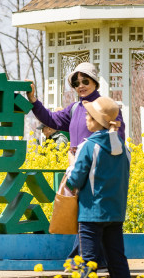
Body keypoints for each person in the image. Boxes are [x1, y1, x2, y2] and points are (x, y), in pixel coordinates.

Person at [29, 62, 125, 266]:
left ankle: (78, 260)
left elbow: (117, 141)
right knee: (84, 215)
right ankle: (97, 260)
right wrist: (34, 101)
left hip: (97, 171)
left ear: (95, 82)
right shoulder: (75, 108)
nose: (80, 86)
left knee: (88, 216)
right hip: (77, 168)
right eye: (76, 83)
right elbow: (51, 119)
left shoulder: (106, 107)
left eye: (85, 81)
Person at [64, 96, 133, 278]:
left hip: (91, 214)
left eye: (89, 116)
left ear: (97, 121)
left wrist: (71, 166)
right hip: (115, 213)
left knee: (88, 264)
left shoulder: (89, 146)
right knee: (118, 262)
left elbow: (75, 180)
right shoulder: (123, 148)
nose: (86, 118)